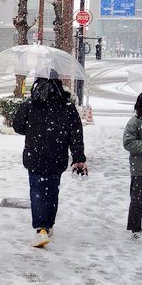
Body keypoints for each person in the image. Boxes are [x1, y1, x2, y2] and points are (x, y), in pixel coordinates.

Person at [13, 75, 88, 247]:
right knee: (52, 192)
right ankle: (49, 224)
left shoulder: (30, 104)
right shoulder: (67, 107)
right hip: (57, 156)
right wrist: (78, 157)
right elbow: (76, 134)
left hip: (34, 156)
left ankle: (41, 229)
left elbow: (17, 127)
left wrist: (32, 130)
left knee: (37, 192)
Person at [122, 91, 142, 240]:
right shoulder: (134, 123)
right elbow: (128, 142)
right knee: (137, 199)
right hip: (139, 168)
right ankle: (135, 228)